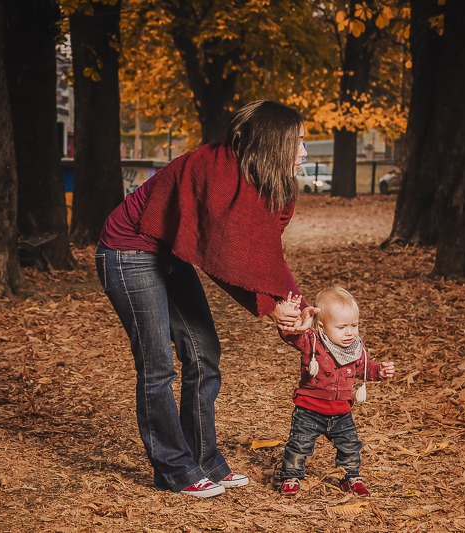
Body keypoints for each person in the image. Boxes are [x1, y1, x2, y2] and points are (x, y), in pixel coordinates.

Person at [95, 100, 318, 498]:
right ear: (271, 144)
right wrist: (271, 308)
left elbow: (262, 254)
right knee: (157, 365)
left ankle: (205, 459)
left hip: (168, 252)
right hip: (127, 250)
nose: (304, 152)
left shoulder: (267, 183)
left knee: (204, 354)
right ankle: (174, 470)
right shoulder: (216, 171)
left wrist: (295, 303)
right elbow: (224, 257)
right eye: (297, 142)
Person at [277, 287, 395, 496]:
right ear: (322, 326)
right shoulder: (312, 340)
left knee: (350, 446)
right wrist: (291, 322)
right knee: (299, 446)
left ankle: (350, 477)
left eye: (354, 325)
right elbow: (291, 336)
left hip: (341, 412)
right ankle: (291, 476)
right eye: (341, 327)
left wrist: (380, 370)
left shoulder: (355, 348)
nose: (349, 332)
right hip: (309, 410)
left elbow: (364, 369)